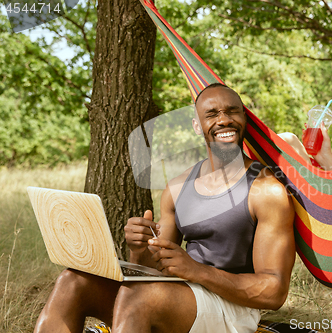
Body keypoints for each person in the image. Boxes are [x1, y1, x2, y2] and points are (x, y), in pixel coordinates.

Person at [34, 83, 296, 333]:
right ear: (197, 125)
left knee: (141, 297)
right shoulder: (178, 187)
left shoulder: (266, 190)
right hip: (183, 294)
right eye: (212, 113)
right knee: (73, 281)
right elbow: (153, 269)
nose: (224, 119)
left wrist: (197, 271)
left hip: (235, 309)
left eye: (232, 111)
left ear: (244, 118)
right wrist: (140, 247)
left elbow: (274, 291)